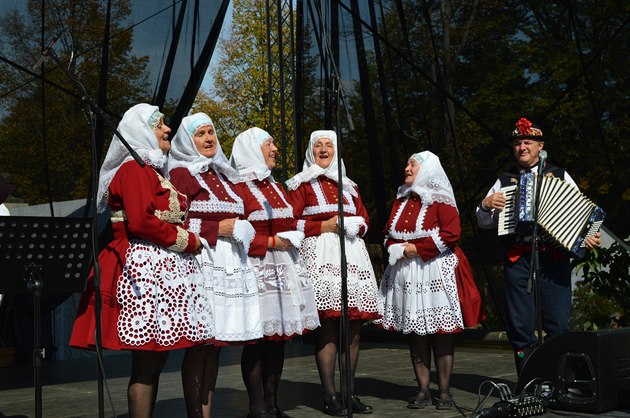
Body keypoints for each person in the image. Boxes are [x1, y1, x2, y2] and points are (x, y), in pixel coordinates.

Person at [70, 104, 209, 418]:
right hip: (141, 269)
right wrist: (189, 240)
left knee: (155, 361)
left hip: (162, 268)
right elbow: (141, 223)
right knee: (146, 363)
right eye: (160, 124)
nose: (167, 130)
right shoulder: (133, 169)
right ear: (143, 131)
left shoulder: (152, 171)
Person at [476, 117, 601, 374]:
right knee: (520, 326)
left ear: (540, 145)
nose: (522, 147)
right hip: (518, 258)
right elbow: (483, 222)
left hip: (553, 258)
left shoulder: (559, 175)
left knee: (557, 324)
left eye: (527, 142)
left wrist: (589, 237)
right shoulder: (504, 180)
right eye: (517, 143)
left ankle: (560, 383)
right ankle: (528, 384)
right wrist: (485, 205)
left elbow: (585, 215)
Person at [168, 112, 262, 418]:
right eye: (201, 134)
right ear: (187, 140)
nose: (209, 139)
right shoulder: (182, 174)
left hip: (230, 262)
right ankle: (196, 414)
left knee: (215, 345)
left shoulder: (224, 174)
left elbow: (240, 212)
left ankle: (206, 413)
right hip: (202, 261)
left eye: (211, 133)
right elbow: (176, 221)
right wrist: (216, 229)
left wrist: (242, 226)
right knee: (200, 343)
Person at [285, 130, 381, 416]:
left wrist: (357, 227)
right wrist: (322, 227)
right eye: (318, 145)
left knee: (352, 329)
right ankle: (329, 395)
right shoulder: (301, 184)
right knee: (328, 326)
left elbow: (364, 218)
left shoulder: (349, 186)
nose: (324, 149)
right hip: (321, 256)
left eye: (329, 145)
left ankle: (349, 393)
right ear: (310, 151)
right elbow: (290, 221)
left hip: (351, 256)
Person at [379, 151, 482, 410]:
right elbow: (388, 233)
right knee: (416, 333)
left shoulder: (441, 199)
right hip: (407, 274)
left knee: (440, 333)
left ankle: (444, 391)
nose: (406, 167)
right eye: (407, 163)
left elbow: (451, 233)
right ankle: (423, 388)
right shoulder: (401, 198)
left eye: (412, 164)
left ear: (427, 169)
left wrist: (414, 249)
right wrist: (395, 247)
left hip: (433, 270)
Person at [229, 127, 320, 418]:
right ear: (253, 149)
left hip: (284, 267)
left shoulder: (277, 188)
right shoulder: (238, 189)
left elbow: (293, 220)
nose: (275, 149)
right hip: (256, 269)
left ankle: (273, 402)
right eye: (269, 143)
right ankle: (256, 406)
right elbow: (235, 234)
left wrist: (296, 235)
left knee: (278, 340)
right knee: (258, 340)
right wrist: (268, 241)